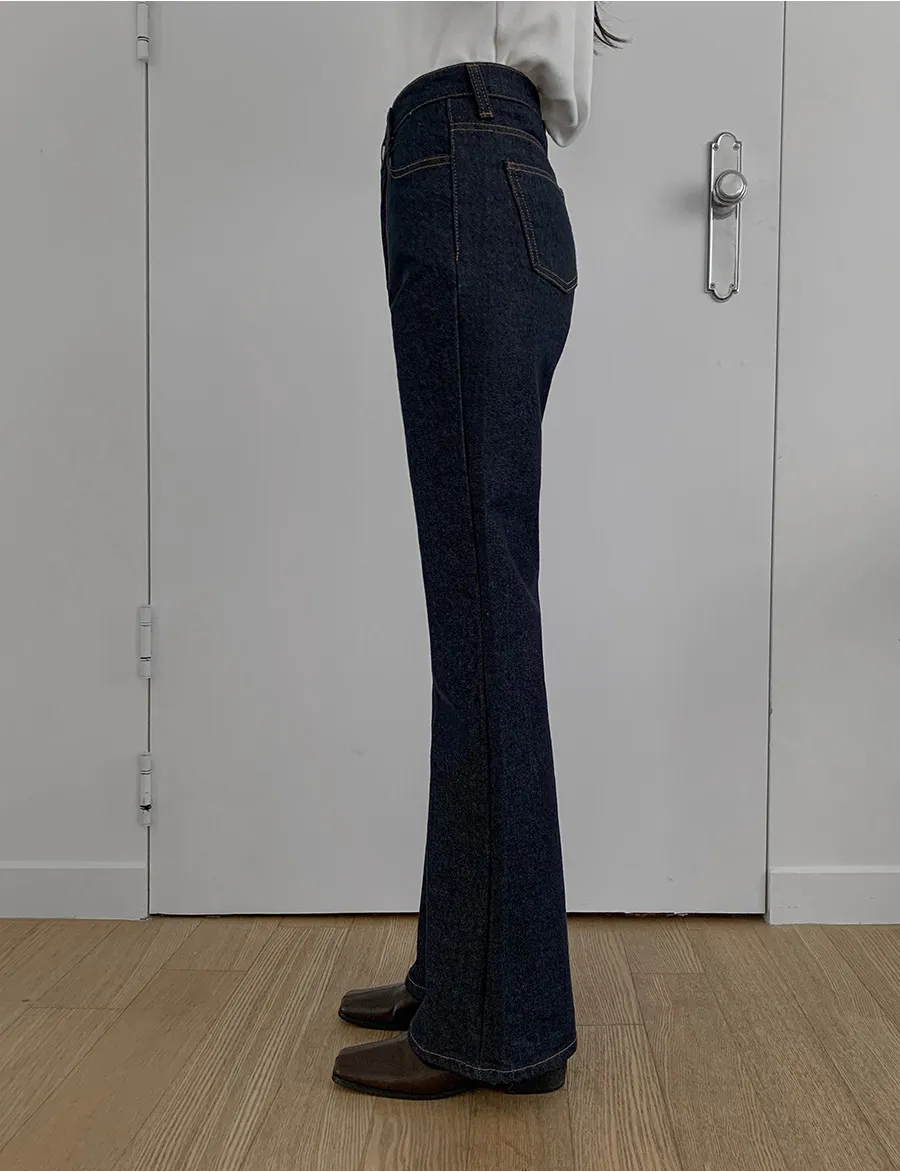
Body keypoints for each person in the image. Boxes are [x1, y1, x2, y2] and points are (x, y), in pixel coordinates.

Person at [331, 1, 618, 1100]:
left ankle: (501, 1024)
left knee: (481, 612)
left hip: (462, 158)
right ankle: (461, 970)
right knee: (476, 607)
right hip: (487, 168)